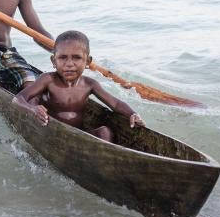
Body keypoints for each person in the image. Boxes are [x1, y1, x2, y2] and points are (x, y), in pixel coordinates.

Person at [12, 30, 144, 142]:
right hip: (51, 132)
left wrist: (132, 113)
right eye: (63, 57)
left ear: (88, 61)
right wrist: (32, 109)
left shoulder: (90, 84)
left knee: (105, 132)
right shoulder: (48, 80)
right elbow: (18, 99)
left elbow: (115, 104)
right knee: (34, 101)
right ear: (54, 61)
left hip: (77, 136)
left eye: (76, 58)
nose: (69, 64)